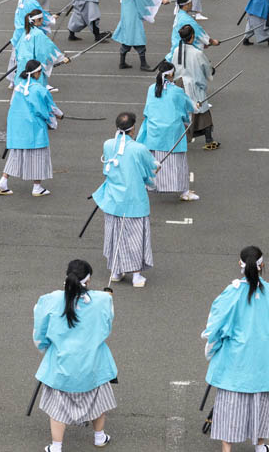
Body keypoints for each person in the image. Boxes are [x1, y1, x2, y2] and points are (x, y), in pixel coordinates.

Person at [203, 246, 269, 452]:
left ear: (241, 265)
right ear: (262, 265)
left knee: (229, 405)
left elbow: (215, 325)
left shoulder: (232, 292)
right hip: (262, 361)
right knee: (260, 403)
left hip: (235, 360)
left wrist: (213, 345)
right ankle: (259, 447)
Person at [34, 258, 117, 452]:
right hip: (93, 363)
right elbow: (107, 327)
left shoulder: (50, 300)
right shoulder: (102, 301)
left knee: (57, 408)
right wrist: (107, 298)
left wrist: (45, 347)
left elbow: (40, 333)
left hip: (62, 364)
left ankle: (56, 446)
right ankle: (99, 436)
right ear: (88, 281)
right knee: (97, 402)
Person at [92, 112, 157, 287]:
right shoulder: (139, 148)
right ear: (133, 129)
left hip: (114, 199)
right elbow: (151, 167)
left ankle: (116, 270)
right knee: (135, 237)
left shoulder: (108, 144)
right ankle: (136, 275)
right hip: (134, 199)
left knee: (115, 235)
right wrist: (155, 170)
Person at [0, 60, 55, 197]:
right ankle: (37, 187)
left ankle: (3, 181)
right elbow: (47, 109)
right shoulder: (39, 89)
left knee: (15, 154)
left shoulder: (18, 87)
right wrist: (58, 116)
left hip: (17, 125)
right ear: (37, 73)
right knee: (39, 155)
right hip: (34, 128)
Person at [138, 63, 197, 202]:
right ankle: (184, 191)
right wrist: (195, 106)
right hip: (172, 132)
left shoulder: (151, 88)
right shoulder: (177, 91)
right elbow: (188, 108)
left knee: (153, 161)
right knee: (178, 162)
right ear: (171, 74)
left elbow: (147, 110)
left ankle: (149, 186)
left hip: (154, 131)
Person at [172, 25, 217, 149]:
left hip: (180, 84)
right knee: (202, 110)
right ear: (192, 37)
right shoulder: (197, 53)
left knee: (182, 111)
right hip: (194, 85)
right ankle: (208, 139)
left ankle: (181, 138)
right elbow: (205, 67)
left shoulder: (177, 50)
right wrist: (211, 71)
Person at [112, 0, 163, 71]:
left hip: (126, 19)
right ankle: (143, 65)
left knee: (126, 42)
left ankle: (122, 63)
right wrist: (161, 0)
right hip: (133, 20)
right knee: (139, 42)